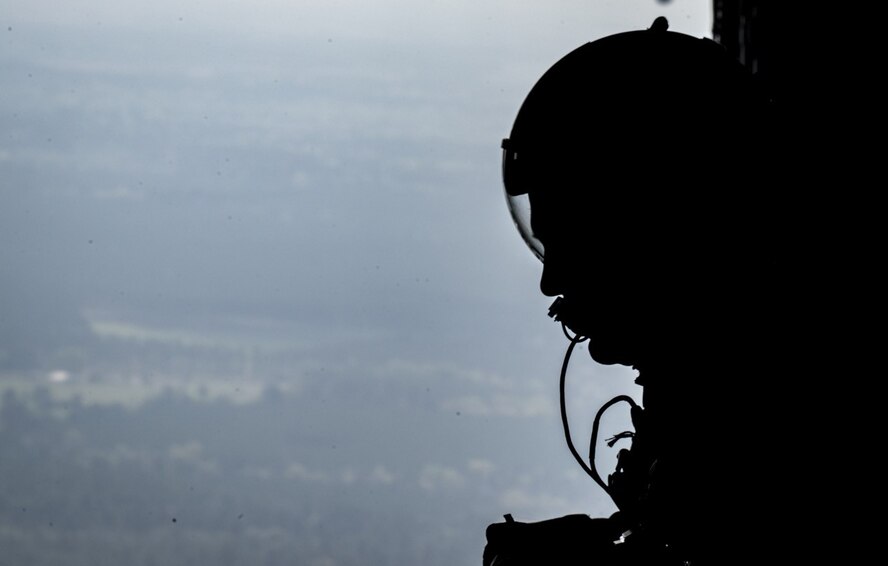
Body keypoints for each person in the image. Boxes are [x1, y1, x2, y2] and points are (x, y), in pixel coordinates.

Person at [483, 18, 800, 566]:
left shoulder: (757, 415)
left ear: (655, 225)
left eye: (575, 242)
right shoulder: (709, 386)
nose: (550, 281)